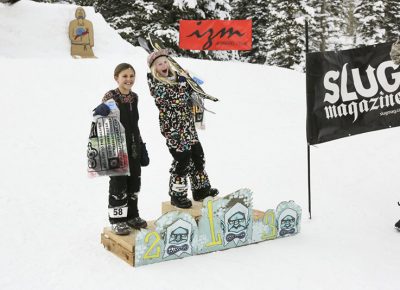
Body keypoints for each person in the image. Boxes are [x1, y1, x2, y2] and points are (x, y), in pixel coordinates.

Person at [146, 49, 218, 209]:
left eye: (165, 62)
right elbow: (174, 100)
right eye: (159, 64)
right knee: (183, 159)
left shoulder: (178, 77)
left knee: (198, 155)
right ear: (154, 68)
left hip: (187, 127)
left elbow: (192, 92)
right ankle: (177, 195)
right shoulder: (156, 83)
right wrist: (184, 83)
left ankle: (201, 190)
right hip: (173, 129)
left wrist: (191, 82)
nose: (163, 65)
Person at [93, 63, 149, 235]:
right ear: (116, 77)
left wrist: (141, 146)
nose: (129, 79)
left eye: (132, 76)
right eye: (125, 76)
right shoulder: (111, 96)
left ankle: (132, 216)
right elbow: (99, 117)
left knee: (134, 183)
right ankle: (118, 220)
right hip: (116, 148)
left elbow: (135, 124)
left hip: (133, 147)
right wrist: (100, 110)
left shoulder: (134, 97)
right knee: (119, 186)